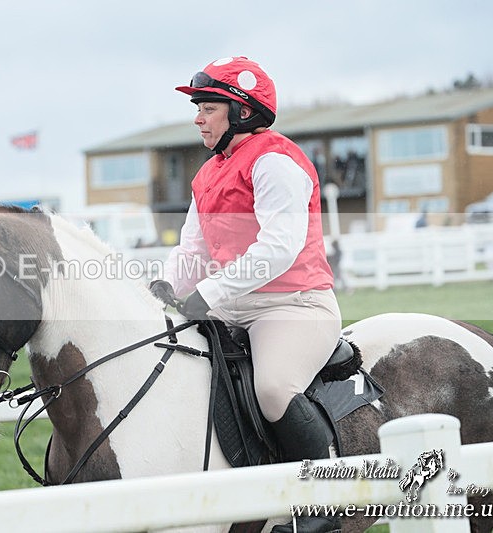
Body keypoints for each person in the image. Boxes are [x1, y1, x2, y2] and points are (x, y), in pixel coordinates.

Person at [150, 56, 342, 533]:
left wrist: (208, 292)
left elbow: (278, 247)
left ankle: (325, 503)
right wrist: (163, 288)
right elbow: (192, 249)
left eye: (207, 107)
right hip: (230, 307)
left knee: (274, 388)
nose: (197, 118)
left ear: (241, 110)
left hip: (294, 305)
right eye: (197, 107)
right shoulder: (207, 173)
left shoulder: (275, 160)